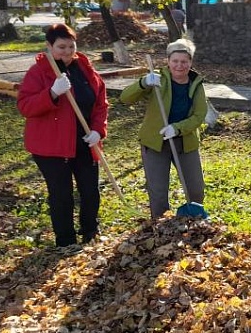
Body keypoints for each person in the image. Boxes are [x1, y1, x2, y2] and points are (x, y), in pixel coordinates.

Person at [17, 23, 108, 248]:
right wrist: (51, 93)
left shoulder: (85, 68)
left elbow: (100, 104)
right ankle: (65, 241)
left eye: (71, 46)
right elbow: (25, 106)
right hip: (51, 146)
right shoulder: (39, 72)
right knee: (61, 195)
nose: (67, 52)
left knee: (90, 191)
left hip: (85, 141)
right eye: (61, 47)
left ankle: (90, 232)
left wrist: (98, 130)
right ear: (49, 46)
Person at [120, 39, 208, 219]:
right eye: (175, 61)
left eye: (184, 61)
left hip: (185, 142)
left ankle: (193, 224)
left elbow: (199, 116)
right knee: (158, 193)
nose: (179, 65)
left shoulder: (196, 84)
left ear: (190, 63)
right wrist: (144, 83)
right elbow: (125, 98)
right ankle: (160, 230)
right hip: (155, 142)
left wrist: (177, 128)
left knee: (196, 190)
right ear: (168, 61)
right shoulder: (157, 79)